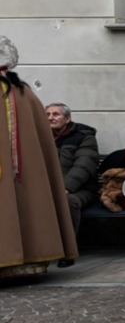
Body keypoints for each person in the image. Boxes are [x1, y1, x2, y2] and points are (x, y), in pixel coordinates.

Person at [0, 37, 78, 278]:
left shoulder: (19, 92)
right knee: (27, 203)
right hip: (21, 172)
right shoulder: (25, 92)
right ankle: (27, 260)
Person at [46, 101, 99, 245]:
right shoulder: (41, 137)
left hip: (79, 189)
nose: (51, 118)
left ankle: (67, 248)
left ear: (67, 119)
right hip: (48, 188)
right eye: (48, 115)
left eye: (55, 114)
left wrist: (66, 187)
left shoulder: (83, 136)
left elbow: (84, 165)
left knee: (68, 202)